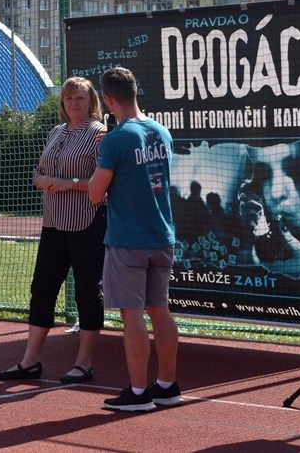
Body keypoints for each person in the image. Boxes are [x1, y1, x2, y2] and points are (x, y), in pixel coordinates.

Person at [0, 77, 106, 383]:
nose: (74, 103)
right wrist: (42, 180)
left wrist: (69, 184)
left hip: (86, 222)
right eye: (69, 98)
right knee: (42, 289)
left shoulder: (99, 134)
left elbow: (104, 183)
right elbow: (39, 173)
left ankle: (84, 363)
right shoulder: (56, 131)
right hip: (53, 223)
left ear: (91, 102)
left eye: (80, 98)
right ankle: (30, 361)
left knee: (87, 291)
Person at [88, 67, 182, 412]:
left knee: (132, 315)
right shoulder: (161, 131)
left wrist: (99, 159)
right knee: (160, 309)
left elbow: (95, 193)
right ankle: (167, 385)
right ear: (135, 92)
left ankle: (139, 392)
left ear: (108, 99)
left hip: (128, 239)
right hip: (162, 234)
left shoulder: (116, 139)